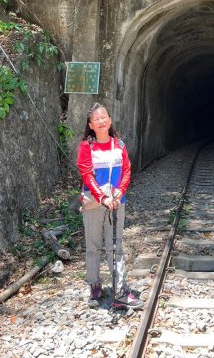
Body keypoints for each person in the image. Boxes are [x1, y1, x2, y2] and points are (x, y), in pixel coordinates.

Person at [77, 102, 142, 309]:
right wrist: (102, 197)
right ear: (91, 124)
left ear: (110, 120)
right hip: (94, 204)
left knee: (116, 247)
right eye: (97, 119)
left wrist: (119, 192)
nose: (101, 121)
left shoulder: (119, 145)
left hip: (116, 203)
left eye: (104, 117)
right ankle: (95, 287)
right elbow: (86, 174)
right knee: (94, 246)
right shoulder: (86, 147)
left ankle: (121, 290)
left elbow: (127, 171)